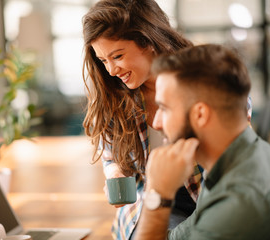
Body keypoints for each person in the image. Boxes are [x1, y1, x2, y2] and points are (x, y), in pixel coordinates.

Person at [135, 44, 270, 240]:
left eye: (164, 108)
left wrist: (157, 192)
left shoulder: (240, 205)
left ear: (200, 114)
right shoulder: (233, 158)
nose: (156, 122)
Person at [81, 1, 204, 239]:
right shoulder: (114, 93)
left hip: (205, 201)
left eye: (117, 56)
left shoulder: (207, 84)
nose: (111, 70)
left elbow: (223, 184)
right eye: (103, 60)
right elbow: (110, 153)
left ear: (148, 41)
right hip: (149, 204)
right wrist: (115, 171)